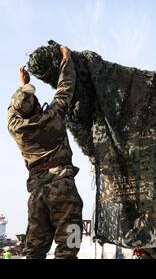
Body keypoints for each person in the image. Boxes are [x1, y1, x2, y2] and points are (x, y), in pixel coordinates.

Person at [7, 45, 83, 259]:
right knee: (68, 248)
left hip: (37, 194)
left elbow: (16, 109)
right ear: (37, 105)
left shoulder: (15, 127)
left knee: (34, 252)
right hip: (62, 189)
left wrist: (24, 88)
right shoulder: (54, 116)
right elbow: (66, 87)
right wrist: (66, 59)